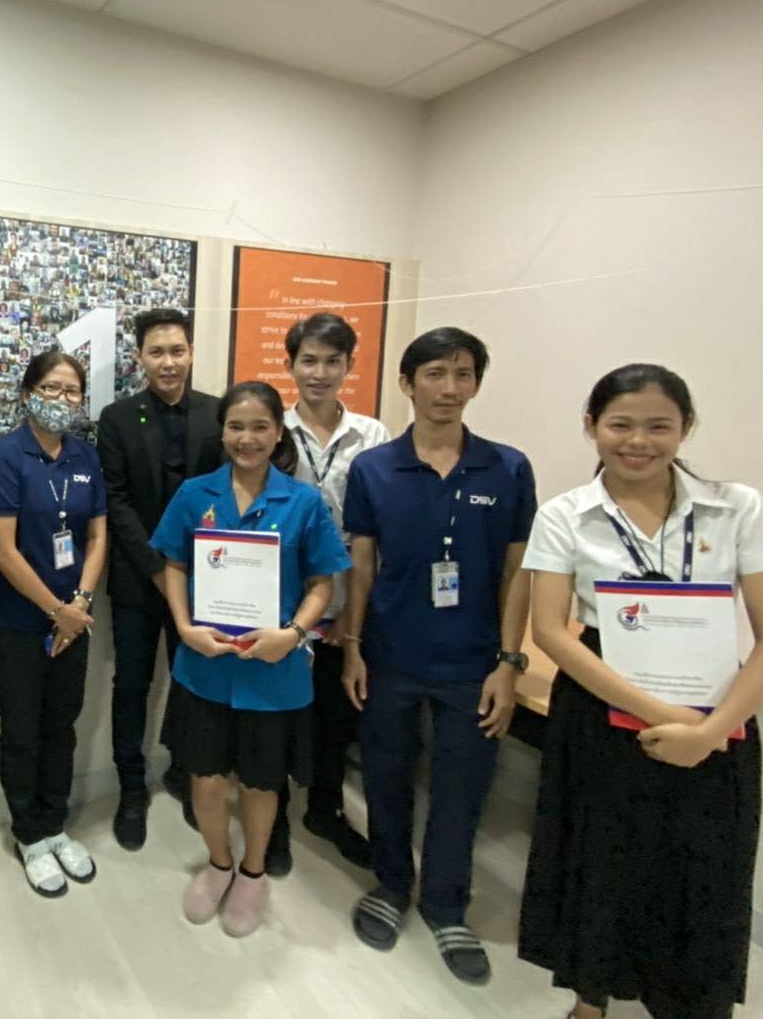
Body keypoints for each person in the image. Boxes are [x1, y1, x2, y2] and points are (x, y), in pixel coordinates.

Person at [517, 364, 763, 1019]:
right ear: (591, 426)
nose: (638, 441)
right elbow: (552, 631)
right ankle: (590, 999)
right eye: (620, 424)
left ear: (686, 428)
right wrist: (661, 714)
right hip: (600, 706)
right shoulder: (565, 516)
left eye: (658, 426)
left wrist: (710, 729)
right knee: (599, 859)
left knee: (704, 869)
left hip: (717, 710)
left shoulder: (738, 508)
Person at [341, 327, 535, 986]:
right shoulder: (373, 469)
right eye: (434, 374)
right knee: (386, 776)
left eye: (462, 375)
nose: (448, 389)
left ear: (476, 384)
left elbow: (517, 572)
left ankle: (448, 905)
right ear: (407, 383)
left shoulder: (508, 469)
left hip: (473, 663)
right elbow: (361, 569)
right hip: (390, 654)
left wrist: (508, 662)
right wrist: (353, 648)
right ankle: (392, 884)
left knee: (462, 788)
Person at [150, 381, 349, 938]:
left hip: (273, 671)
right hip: (206, 666)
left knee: (262, 782)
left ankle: (254, 872)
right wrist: (184, 626)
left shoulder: (303, 502)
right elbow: (173, 564)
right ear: (222, 432)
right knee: (207, 780)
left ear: (278, 433)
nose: (247, 438)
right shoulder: (195, 494)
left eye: (260, 426)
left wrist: (295, 633)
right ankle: (219, 863)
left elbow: (323, 582)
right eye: (236, 426)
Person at [0, 350, 108, 897]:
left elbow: (97, 535)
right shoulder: (2, 458)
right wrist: (58, 611)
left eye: (71, 391)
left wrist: (80, 602)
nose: (61, 399)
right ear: (28, 393)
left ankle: (56, 825)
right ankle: (29, 836)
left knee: (61, 726)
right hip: (16, 623)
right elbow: (2, 552)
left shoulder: (85, 456)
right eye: (50, 388)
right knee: (22, 732)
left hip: (74, 618)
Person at [96, 308, 222, 850]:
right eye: (156, 352)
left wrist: (187, 571)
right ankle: (131, 787)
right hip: (138, 579)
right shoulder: (118, 418)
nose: (168, 362)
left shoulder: (217, 413)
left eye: (177, 351)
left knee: (194, 683)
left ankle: (185, 774)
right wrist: (156, 567)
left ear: (191, 353)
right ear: (139, 358)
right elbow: (116, 499)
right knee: (132, 684)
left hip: (203, 579)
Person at [274, 311, 388, 874]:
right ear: (291, 364)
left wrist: (355, 617)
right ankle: (271, 818)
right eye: (309, 361)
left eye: (332, 362)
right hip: (284, 596)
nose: (319, 373)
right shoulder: (272, 428)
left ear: (349, 366)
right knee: (276, 714)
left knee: (336, 716)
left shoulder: (374, 436)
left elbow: (378, 529)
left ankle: (325, 809)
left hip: (348, 596)